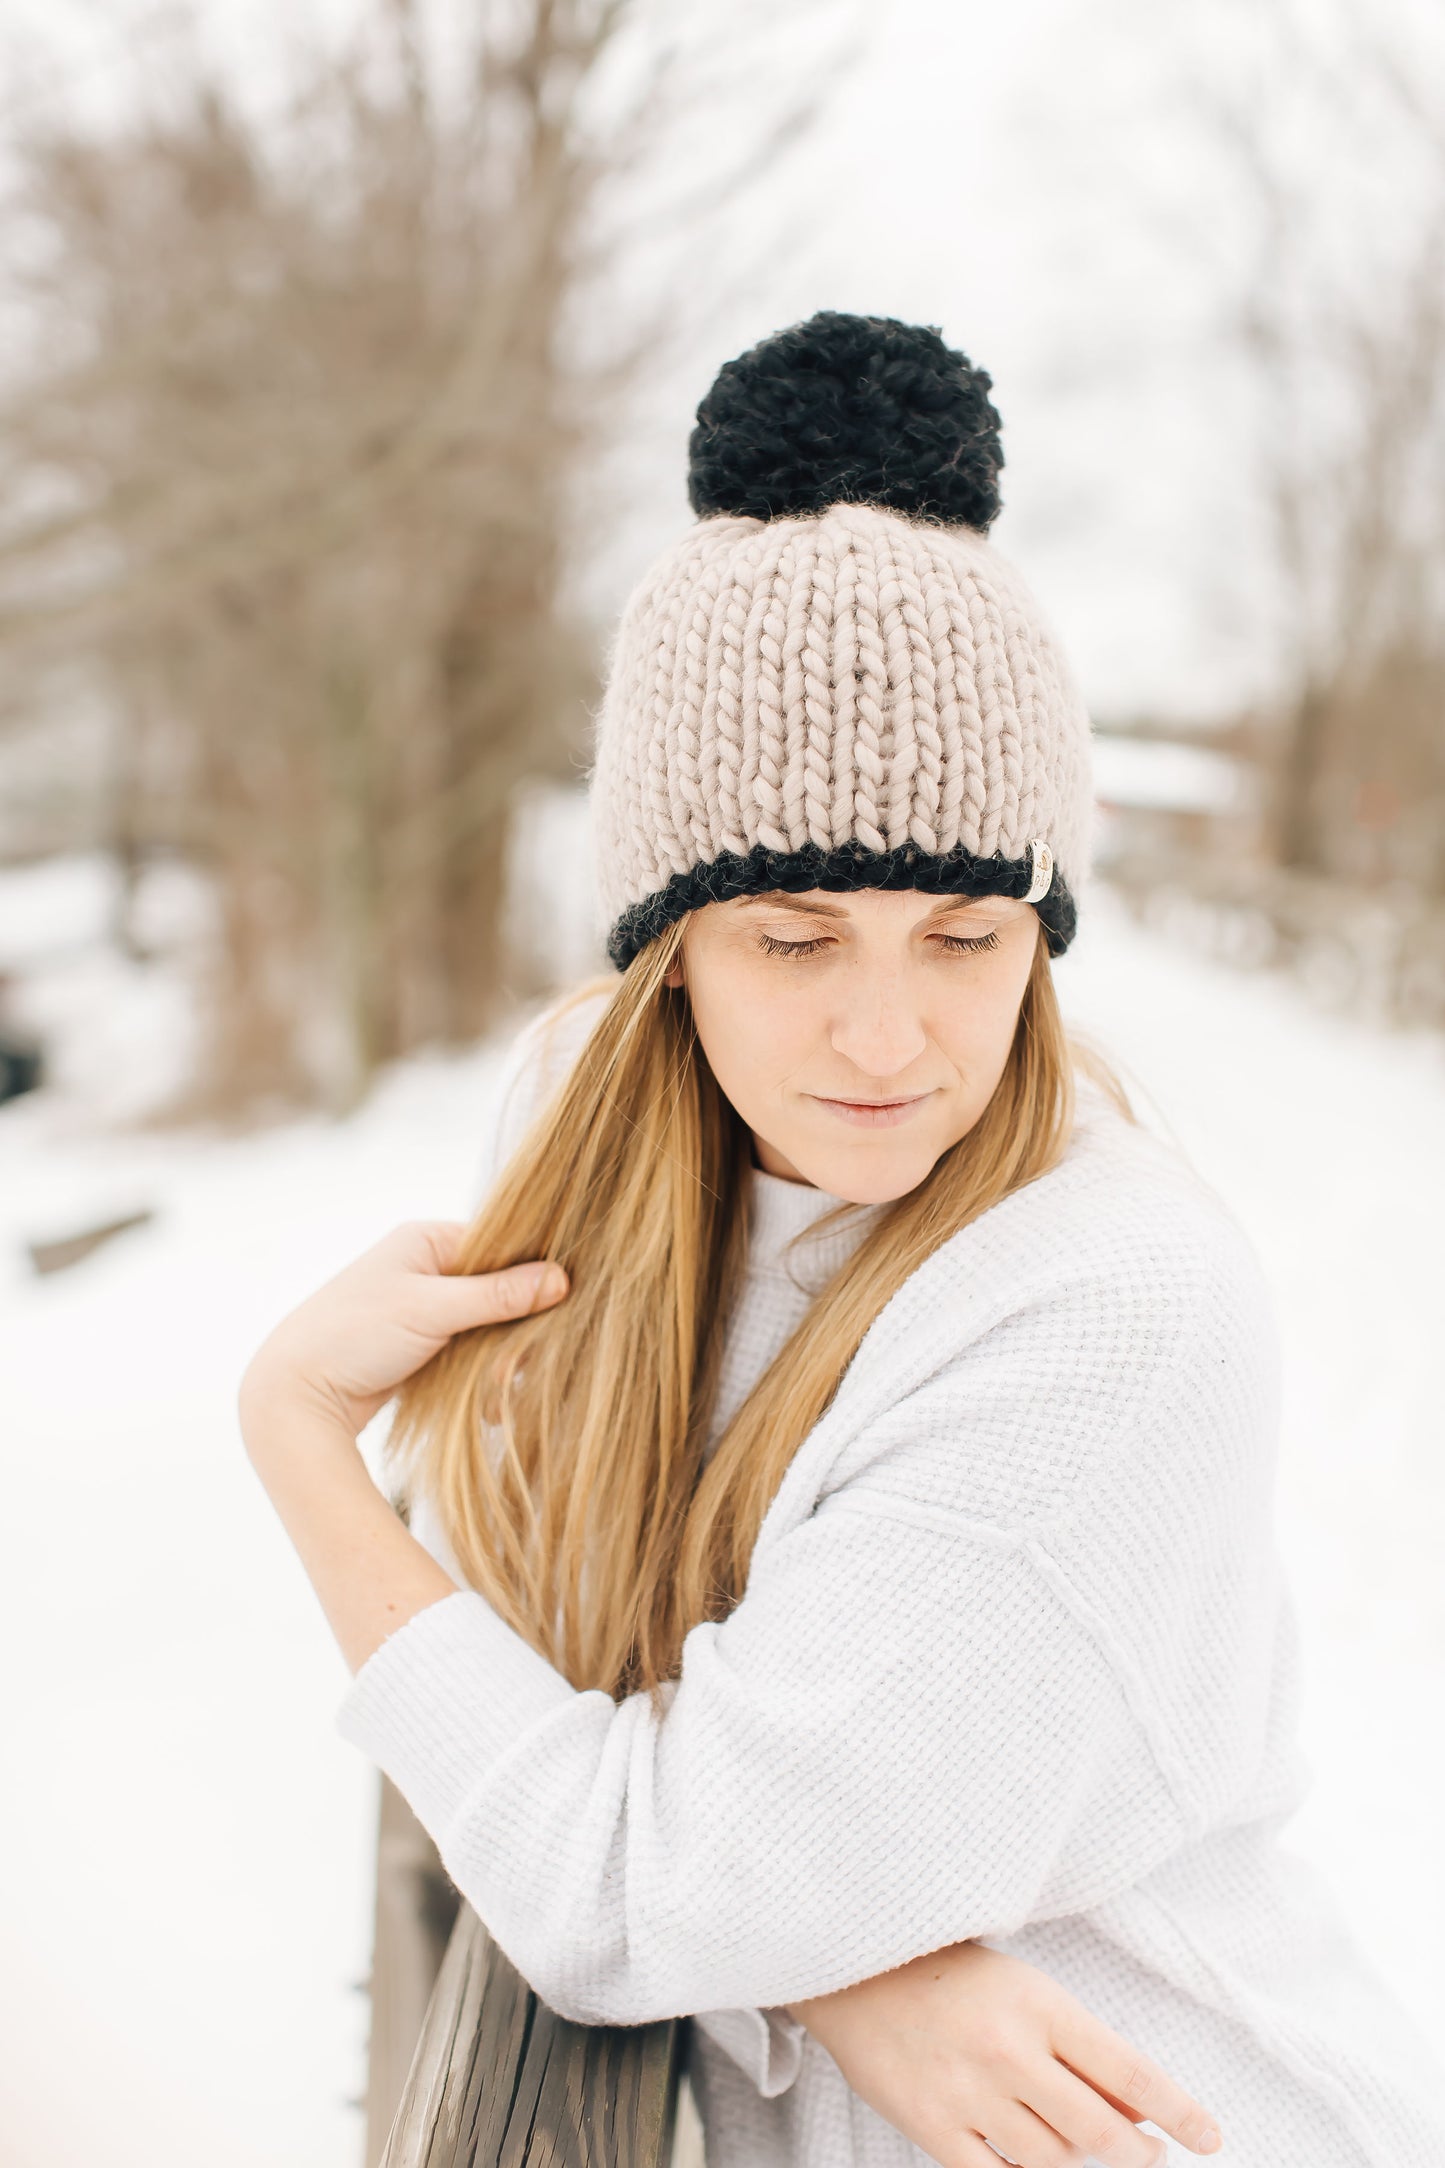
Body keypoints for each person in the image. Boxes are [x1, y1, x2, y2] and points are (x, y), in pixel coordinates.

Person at [239, 313, 1445, 2168]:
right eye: (793, 939)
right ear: (668, 953)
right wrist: (828, 1961)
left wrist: (298, 1433)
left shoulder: (1106, 1309)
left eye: (964, 939)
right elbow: (544, 1649)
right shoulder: (599, 1162)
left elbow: (634, 1888)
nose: (886, 1039)